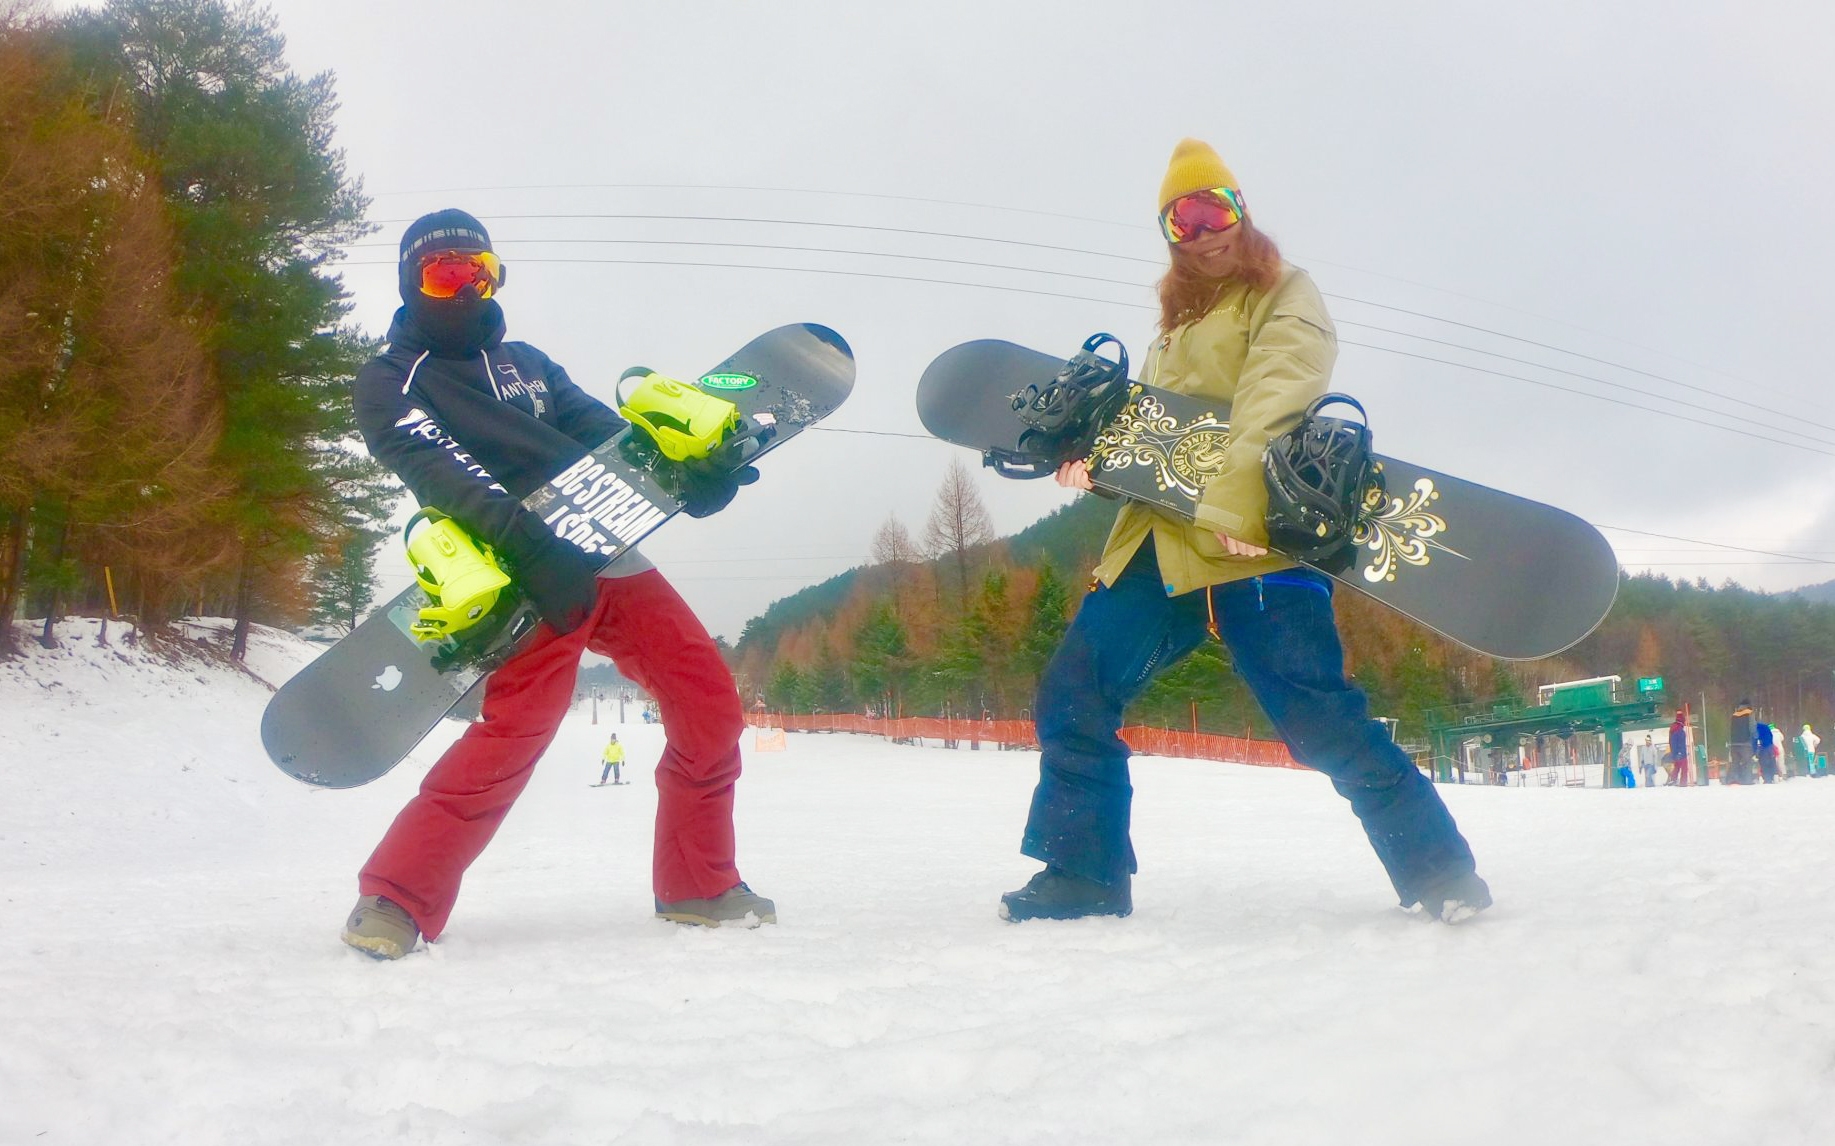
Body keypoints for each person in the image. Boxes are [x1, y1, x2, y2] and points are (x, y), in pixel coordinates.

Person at [999, 140, 1490, 925]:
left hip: (1254, 538)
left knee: (1319, 723)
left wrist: (1235, 505)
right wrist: (1093, 460)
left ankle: (1440, 872)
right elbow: (1160, 444)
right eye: (1180, 219)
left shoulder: (1283, 292)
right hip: (1157, 545)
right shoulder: (1172, 325)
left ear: (1240, 211)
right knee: (1073, 692)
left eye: (1212, 209)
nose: (1200, 231)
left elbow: (1277, 393)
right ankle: (1083, 874)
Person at [339, 210, 775, 960]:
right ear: (411, 284)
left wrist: (688, 477)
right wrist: (527, 546)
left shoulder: (531, 363)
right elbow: (441, 470)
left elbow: (609, 439)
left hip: (603, 549)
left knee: (708, 703)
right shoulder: (388, 382)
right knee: (517, 732)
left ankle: (698, 884)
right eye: (445, 273)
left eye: (479, 270)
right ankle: (395, 898)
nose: (466, 287)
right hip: (517, 571)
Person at [1728, 701, 1756, 785]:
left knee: (1735, 762)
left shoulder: (1734, 715)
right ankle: (1747, 780)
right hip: (1745, 743)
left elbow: (1731, 728)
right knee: (1747, 762)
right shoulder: (1749, 713)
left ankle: (1734, 780)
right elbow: (1752, 727)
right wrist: (1755, 738)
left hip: (1734, 743)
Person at [1668, 710, 1691, 787]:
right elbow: (1680, 743)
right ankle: (1683, 783)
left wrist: (1674, 753)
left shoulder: (1673, 729)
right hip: (1681, 753)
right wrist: (1680, 752)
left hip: (1675, 753)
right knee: (1684, 769)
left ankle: (1673, 780)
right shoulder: (1679, 730)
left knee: (1677, 767)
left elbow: (1672, 743)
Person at [1755, 717, 1778, 784]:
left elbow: (1755, 738)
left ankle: (1767, 779)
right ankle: (1774, 777)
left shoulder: (1755, 728)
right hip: (1770, 747)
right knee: (1771, 762)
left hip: (1763, 747)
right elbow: (1771, 736)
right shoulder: (1765, 727)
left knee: (1764, 764)